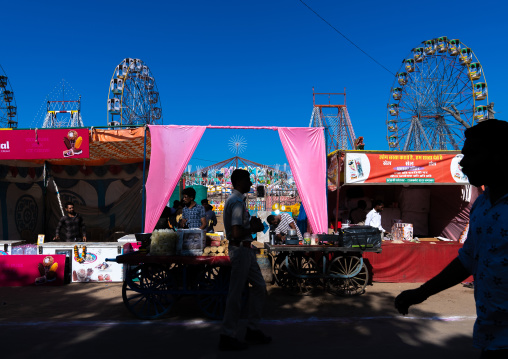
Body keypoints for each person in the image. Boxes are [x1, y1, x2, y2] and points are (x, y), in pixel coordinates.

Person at [394, 119, 508, 358]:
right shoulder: (482, 207)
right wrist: (421, 293)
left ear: (500, 155)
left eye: (471, 154)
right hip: (491, 336)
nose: (463, 163)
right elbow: (466, 260)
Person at [220, 169, 271, 351]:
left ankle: (252, 328)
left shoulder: (238, 201)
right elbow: (235, 232)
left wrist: (251, 226)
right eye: (248, 180)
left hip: (245, 250)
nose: (251, 183)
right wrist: (253, 228)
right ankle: (227, 334)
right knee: (236, 293)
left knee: (259, 287)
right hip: (240, 249)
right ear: (240, 182)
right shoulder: (237, 202)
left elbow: (240, 229)